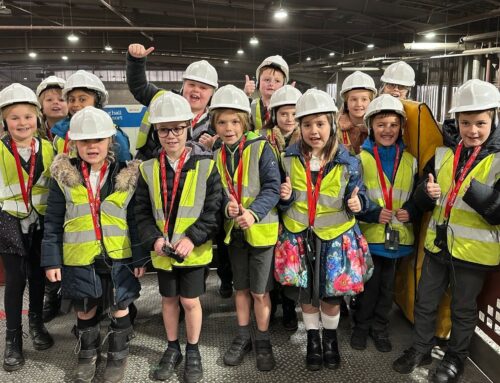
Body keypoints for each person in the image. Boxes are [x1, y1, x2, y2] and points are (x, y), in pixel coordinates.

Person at [392, 79, 500, 383]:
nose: (473, 130)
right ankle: (421, 348)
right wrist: (426, 195)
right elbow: (424, 197)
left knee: (463, 309)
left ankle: (455, 359)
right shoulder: (445, 154)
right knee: (426, 301)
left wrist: (474, 192)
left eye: (480, 122)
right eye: (465, 122)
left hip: (474, 253)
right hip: (438, 246)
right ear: (456, 121)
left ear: (493, 118)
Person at [42, 107, 145, 383]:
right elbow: (52, 221)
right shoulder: (63, 177)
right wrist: (52, 260)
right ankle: (87, 355)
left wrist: (138, 259)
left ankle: (117, 354)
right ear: (74, 143)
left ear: (110, 140)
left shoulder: (126, 175)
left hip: (118, 254)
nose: (92, 146)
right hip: (80, 256)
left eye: (98, 140)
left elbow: (134, 220)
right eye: (85, 141)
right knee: (85, 307)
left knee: (120, 303)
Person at [275, 89, 373, 371]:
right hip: (299, 237)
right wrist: (286, 198)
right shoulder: (288, 160)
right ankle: (313, 340)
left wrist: (359, 202)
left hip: (335, 239)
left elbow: (361, 196)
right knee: (307, 294)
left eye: (320, 124)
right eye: (307, 124)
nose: (314, 131)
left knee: (331, 295)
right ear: (299, 127)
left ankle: (330, 340)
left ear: (332, 124)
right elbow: (286, 202)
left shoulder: (349, 162)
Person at [134, 92, 221, 383]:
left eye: (178, 129)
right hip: (163, 252)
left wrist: (193, 238)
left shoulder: (207, 164)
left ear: (188, 127)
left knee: (190, 302)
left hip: (193, 251)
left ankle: (192, 349)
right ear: (156, 132)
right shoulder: (147, 169)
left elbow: (213, 211)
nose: (171, 135)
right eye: (164, 130)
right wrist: (154, 240)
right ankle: (173, 348)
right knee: (168, 300)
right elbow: (142, 213)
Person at [211, 85, 280, 371]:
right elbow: (219, 191)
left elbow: (273, 188)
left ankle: (262, 340)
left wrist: (253, 213)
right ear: (214, 124)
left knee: (260, 292)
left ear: (245, 121)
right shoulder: (217, 154)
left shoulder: (262, 148)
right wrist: (225, 206)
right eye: (222, 122)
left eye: (235, 121)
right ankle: (242, 337)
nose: (229, 128)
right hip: (235, 233)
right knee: (241, 288)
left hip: (261, 232)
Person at [351, 94, 418, 353]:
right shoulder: (360, 159)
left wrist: (410, 211)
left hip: (397, 238)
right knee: (368, 287)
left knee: (387, 289)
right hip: (371, 236)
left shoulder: (411, 161)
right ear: (371, 127)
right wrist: (371, 212)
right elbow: (354, 197)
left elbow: (415, 197)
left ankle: (379, 328)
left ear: (401, 127)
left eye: (393, 124)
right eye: (381, 125)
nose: (387, 130)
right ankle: (361, 326)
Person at [0, 83, 55, 372]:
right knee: (15, 280)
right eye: (14, 117)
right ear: (4, 122)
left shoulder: (49, 147)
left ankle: (36, 324)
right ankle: (13, 340)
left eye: (28, 116)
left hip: (41, 222)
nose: (22, 123)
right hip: (9, 222)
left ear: (37, 118)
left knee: (37, 276)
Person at [127, 44, 220, 159]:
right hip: (153, 167)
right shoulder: (162, 99)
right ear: (183, 85)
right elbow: (139, 87)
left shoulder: (218, 121)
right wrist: (136, 61)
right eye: (191, 84)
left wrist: (210, 147)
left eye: (203, 88)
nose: (196, 89)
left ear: (212, 93)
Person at [259, 84, 302, 331]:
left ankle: (289, 307)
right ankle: (271, 304)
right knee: (270, 261)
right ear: (274, 115)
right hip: (270, 208)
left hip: (296, 208)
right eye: (283, 113)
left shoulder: (306, 141)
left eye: (293, 113)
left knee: (291, 262)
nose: (288, 119)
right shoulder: (263, 140)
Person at [35, 75, 69, 323]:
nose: (56, 103)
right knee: (46, 253)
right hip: (37, 205)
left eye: (61, 98)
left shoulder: (75, 130)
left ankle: (69, 293)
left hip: (68, 200)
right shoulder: (33, 133)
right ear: (40, 104)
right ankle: (51, 296)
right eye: (49, 99)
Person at [51, 70, 132, 162]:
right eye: (72, 100)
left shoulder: (113, 135)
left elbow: (124, 171)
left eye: (82, 99)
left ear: (97, 102)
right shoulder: (60, 134)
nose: (75, 104)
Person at [243, 55, 289, 130]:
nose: (271, 84)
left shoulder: (288, 108)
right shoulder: (251, 106)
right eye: (267, 80)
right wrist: (245, 96)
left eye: (277, 81)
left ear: (283, 85)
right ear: (258, 82)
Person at [337, 71, 377, 154]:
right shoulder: (336, 130)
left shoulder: (379, 128)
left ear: (371, 102)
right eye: (353, 99)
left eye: (364, 99)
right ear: (346, 103)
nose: (359, 104)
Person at [35, 75, 68, 141]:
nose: (55, 102)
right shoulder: (33, 134)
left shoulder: (76, 131)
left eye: (61, 100)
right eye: (49, 100)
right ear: (41, 107)